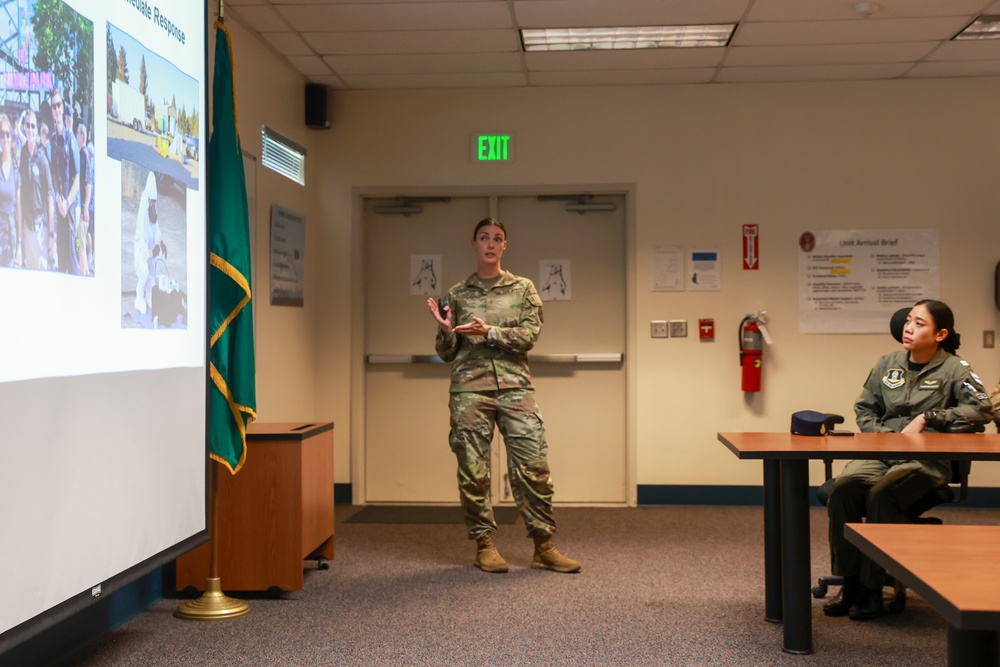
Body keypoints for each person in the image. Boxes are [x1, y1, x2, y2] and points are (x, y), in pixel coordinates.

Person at [426, 217, 581, 574]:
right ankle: (484, 545)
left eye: (497, 238)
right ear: (474, 244)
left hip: (515, 388)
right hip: (469, 391)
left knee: (533, 466)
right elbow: (446, 352)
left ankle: (544, 546)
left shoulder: (523, 289)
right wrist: (446, 331)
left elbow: (529, 336)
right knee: (473, 471)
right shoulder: (456, 294)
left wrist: (489, 331)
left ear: (505, 246)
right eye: (484, 238)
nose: (490, 244)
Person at [823, 299, 994, 621]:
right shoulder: (886, 363)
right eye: (908, 321)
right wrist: (885, 436)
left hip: (926, 459)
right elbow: (864, 409)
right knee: (843, 488)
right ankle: (850, 585)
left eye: (919, 323)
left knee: (881, 494)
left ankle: (872, 591)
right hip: (883, 452)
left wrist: (931, 417)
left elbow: (982, 408)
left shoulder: (957, 369)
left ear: (940, 333)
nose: (909, 327)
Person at [48, 90, 80, 274]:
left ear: (63, 107)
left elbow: (77, 176)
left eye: (59, 105)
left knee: (73, 263)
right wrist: (59, 197)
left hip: (70, 214)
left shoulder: (71, 139)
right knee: (61, 266)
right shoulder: (53, 141)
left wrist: (67, 201)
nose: (57, 109)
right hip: (59, 211)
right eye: (54, 106)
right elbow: (53, 174)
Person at [18, 109, 54, 271]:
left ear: (36, 128)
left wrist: (51, 234)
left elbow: (50, 196)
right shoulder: (22, 156)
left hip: (41, 230)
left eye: (33, 126)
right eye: (28, 125)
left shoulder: (42, 157)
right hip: (27, 227)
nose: (30, 130)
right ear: (24, 127)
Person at [133, 171, 166, 316]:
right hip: (141, 255)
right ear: (147, 200)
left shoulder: (153, 211)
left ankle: (148, 294)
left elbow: (156, 230)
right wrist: (151, 253)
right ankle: (139, 297)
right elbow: (141, 245)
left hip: (150, 253)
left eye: (155, 202)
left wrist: (161, 243)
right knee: (145, 272)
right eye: (152, 201)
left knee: (159, 262)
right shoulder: (142, 216)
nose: (153, 204)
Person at [0, 114, 20, 268]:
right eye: (2, 134)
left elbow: (18, 206)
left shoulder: (16, 166)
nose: (5, 138)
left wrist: (19, 243)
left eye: (7, 134)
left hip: (12, 235)